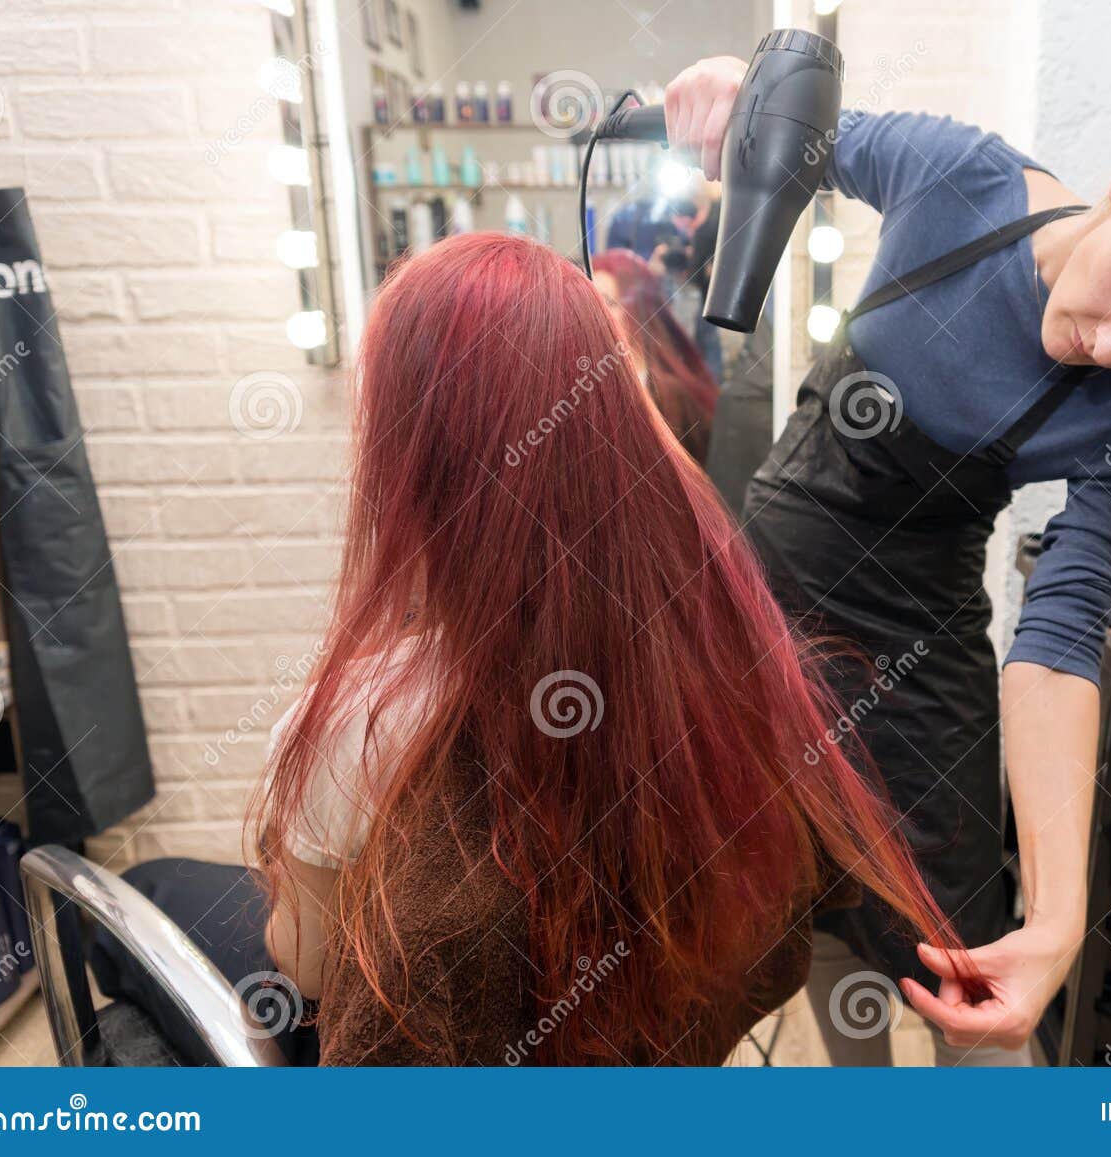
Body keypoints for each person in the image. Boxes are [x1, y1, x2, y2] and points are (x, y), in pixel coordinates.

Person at [96, 232, 976, 1066]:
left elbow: (315, 975)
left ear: (406, 454)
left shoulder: (357, 724)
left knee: (141, 887)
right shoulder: (720, 666)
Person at [663, 57, 1111, 1065]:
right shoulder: (957, 179)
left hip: (916, 672)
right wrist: (737, 87)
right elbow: (795, 123)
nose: (1110, 345)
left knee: (962, 975)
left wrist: (1055, 919)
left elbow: (1057, 639)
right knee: (809, 909)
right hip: (758, 622)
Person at [591, 248, 719, 464]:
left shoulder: (670, 395)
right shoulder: (578, 387)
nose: (596, 314)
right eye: (591, 302)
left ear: (638, 310)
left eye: (609, 303)